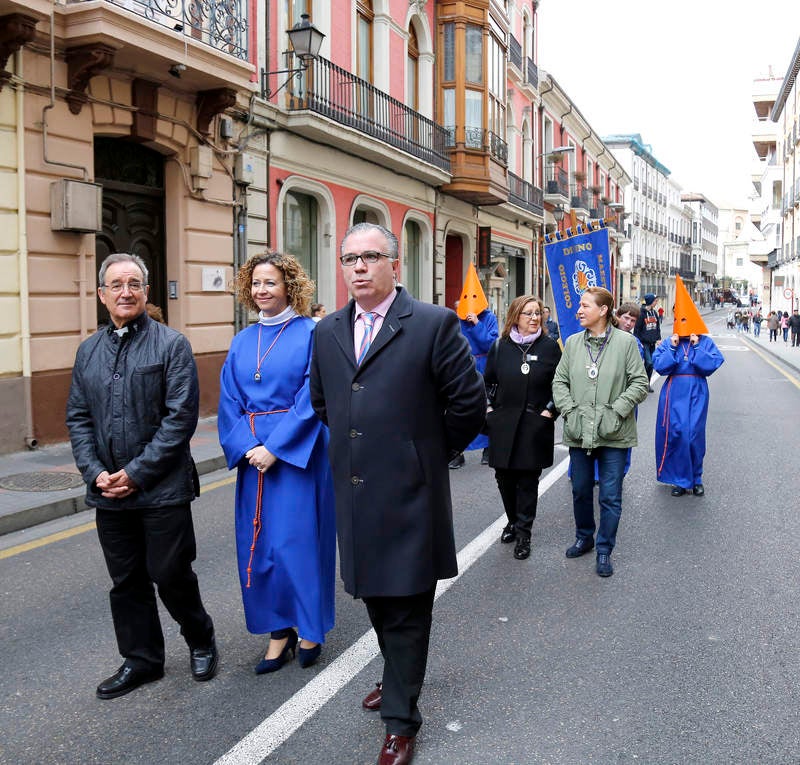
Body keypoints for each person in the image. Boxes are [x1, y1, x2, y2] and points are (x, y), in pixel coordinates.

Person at [310, 222, 485, 765]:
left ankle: (400, 721)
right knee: (375, 596)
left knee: (408, 606)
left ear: (394, 265)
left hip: (411, 492)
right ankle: (397, 678)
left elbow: (468, 406)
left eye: (370, 257)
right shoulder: (328, 331)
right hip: (357, 492)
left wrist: (421, 455)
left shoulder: (432, 324)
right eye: (349, 259)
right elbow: (324, 404)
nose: (358, 267)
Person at [66, 253, 218, 700]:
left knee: (170, 572)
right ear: (102, 295)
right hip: (108, 494)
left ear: (146, 293)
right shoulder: (88, 350)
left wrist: (135, 473)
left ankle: (200, 638)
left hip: (163, 490)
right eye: (116, 285)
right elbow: (77, 417)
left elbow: (179, 419)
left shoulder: (171, 345)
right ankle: (142, 659)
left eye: (134, 283)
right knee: (126, 581)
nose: (125, 291)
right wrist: (95, 474)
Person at [217, 253, 336, 674]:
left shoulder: (311, 333)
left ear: (290, 287)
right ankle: (277, 630)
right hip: (253, 456)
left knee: (297, 543)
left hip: (296, 455)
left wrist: (277, 448)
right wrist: (248, 445)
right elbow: (229, 400)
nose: (262, 290)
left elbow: (312, 397)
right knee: (260, 546)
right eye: (256, 284)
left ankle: (309, 628)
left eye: (270, 283)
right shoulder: (241, 341)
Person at [552, 287, 648, 578]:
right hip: (580, 431)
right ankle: (585, 537)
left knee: (609, 495)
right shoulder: (572, 343)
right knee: (580, 489)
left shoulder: (626, 343)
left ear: (604, 310)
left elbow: (640, 383)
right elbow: (559, 382)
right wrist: (569, 412)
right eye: (579, 305)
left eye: (584, 306)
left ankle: (605, 548)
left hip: (614, 433)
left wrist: (617, 411)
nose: (579, 311)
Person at [483, 295, 560, 560]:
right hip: (503, 423)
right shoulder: (500, 346)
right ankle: (513, 520)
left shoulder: (550, 347)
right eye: (528, 313)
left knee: (527, 481)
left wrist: (549, 410)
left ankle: (524, 534)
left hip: (534, 424)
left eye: (538, 313)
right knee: (504, 478)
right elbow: (487, 383)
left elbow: (561, 385)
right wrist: (489, 409)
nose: (535, 318)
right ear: (515, 316)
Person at [449, 297, 499, 468]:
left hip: (484, 366)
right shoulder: (455, 319)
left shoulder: (489, 318)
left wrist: (477, 324)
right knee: (458, 407)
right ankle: (458, 451)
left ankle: (488, 446)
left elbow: (491, 344)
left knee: (487, 407)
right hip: (463, 366)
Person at [634, 292, 661, 391]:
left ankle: (647, 384)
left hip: (652, 342)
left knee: (652, 364)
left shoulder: (654, 313)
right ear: (650, 301)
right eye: (655, 301)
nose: (656, 302)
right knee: (648, 362)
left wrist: (658, 338)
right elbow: (637, 329)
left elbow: (657, 327)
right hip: (643, 342)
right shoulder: (641, 314)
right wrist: (637, 341)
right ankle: (642, 383)